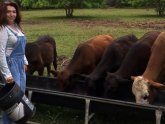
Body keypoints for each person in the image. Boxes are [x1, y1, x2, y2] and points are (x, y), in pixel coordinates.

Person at [0, 1, 28, 124]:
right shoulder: (3, 29)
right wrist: (6, 74)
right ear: (3, 13)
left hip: (20, 66)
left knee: (19, 98)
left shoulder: (17, 26)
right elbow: (1, 53)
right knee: (11, 101)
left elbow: (22, 48)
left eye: (14, 11)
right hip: (10, 66)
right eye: (8, 12)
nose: (11, 14)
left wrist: (25, 61)